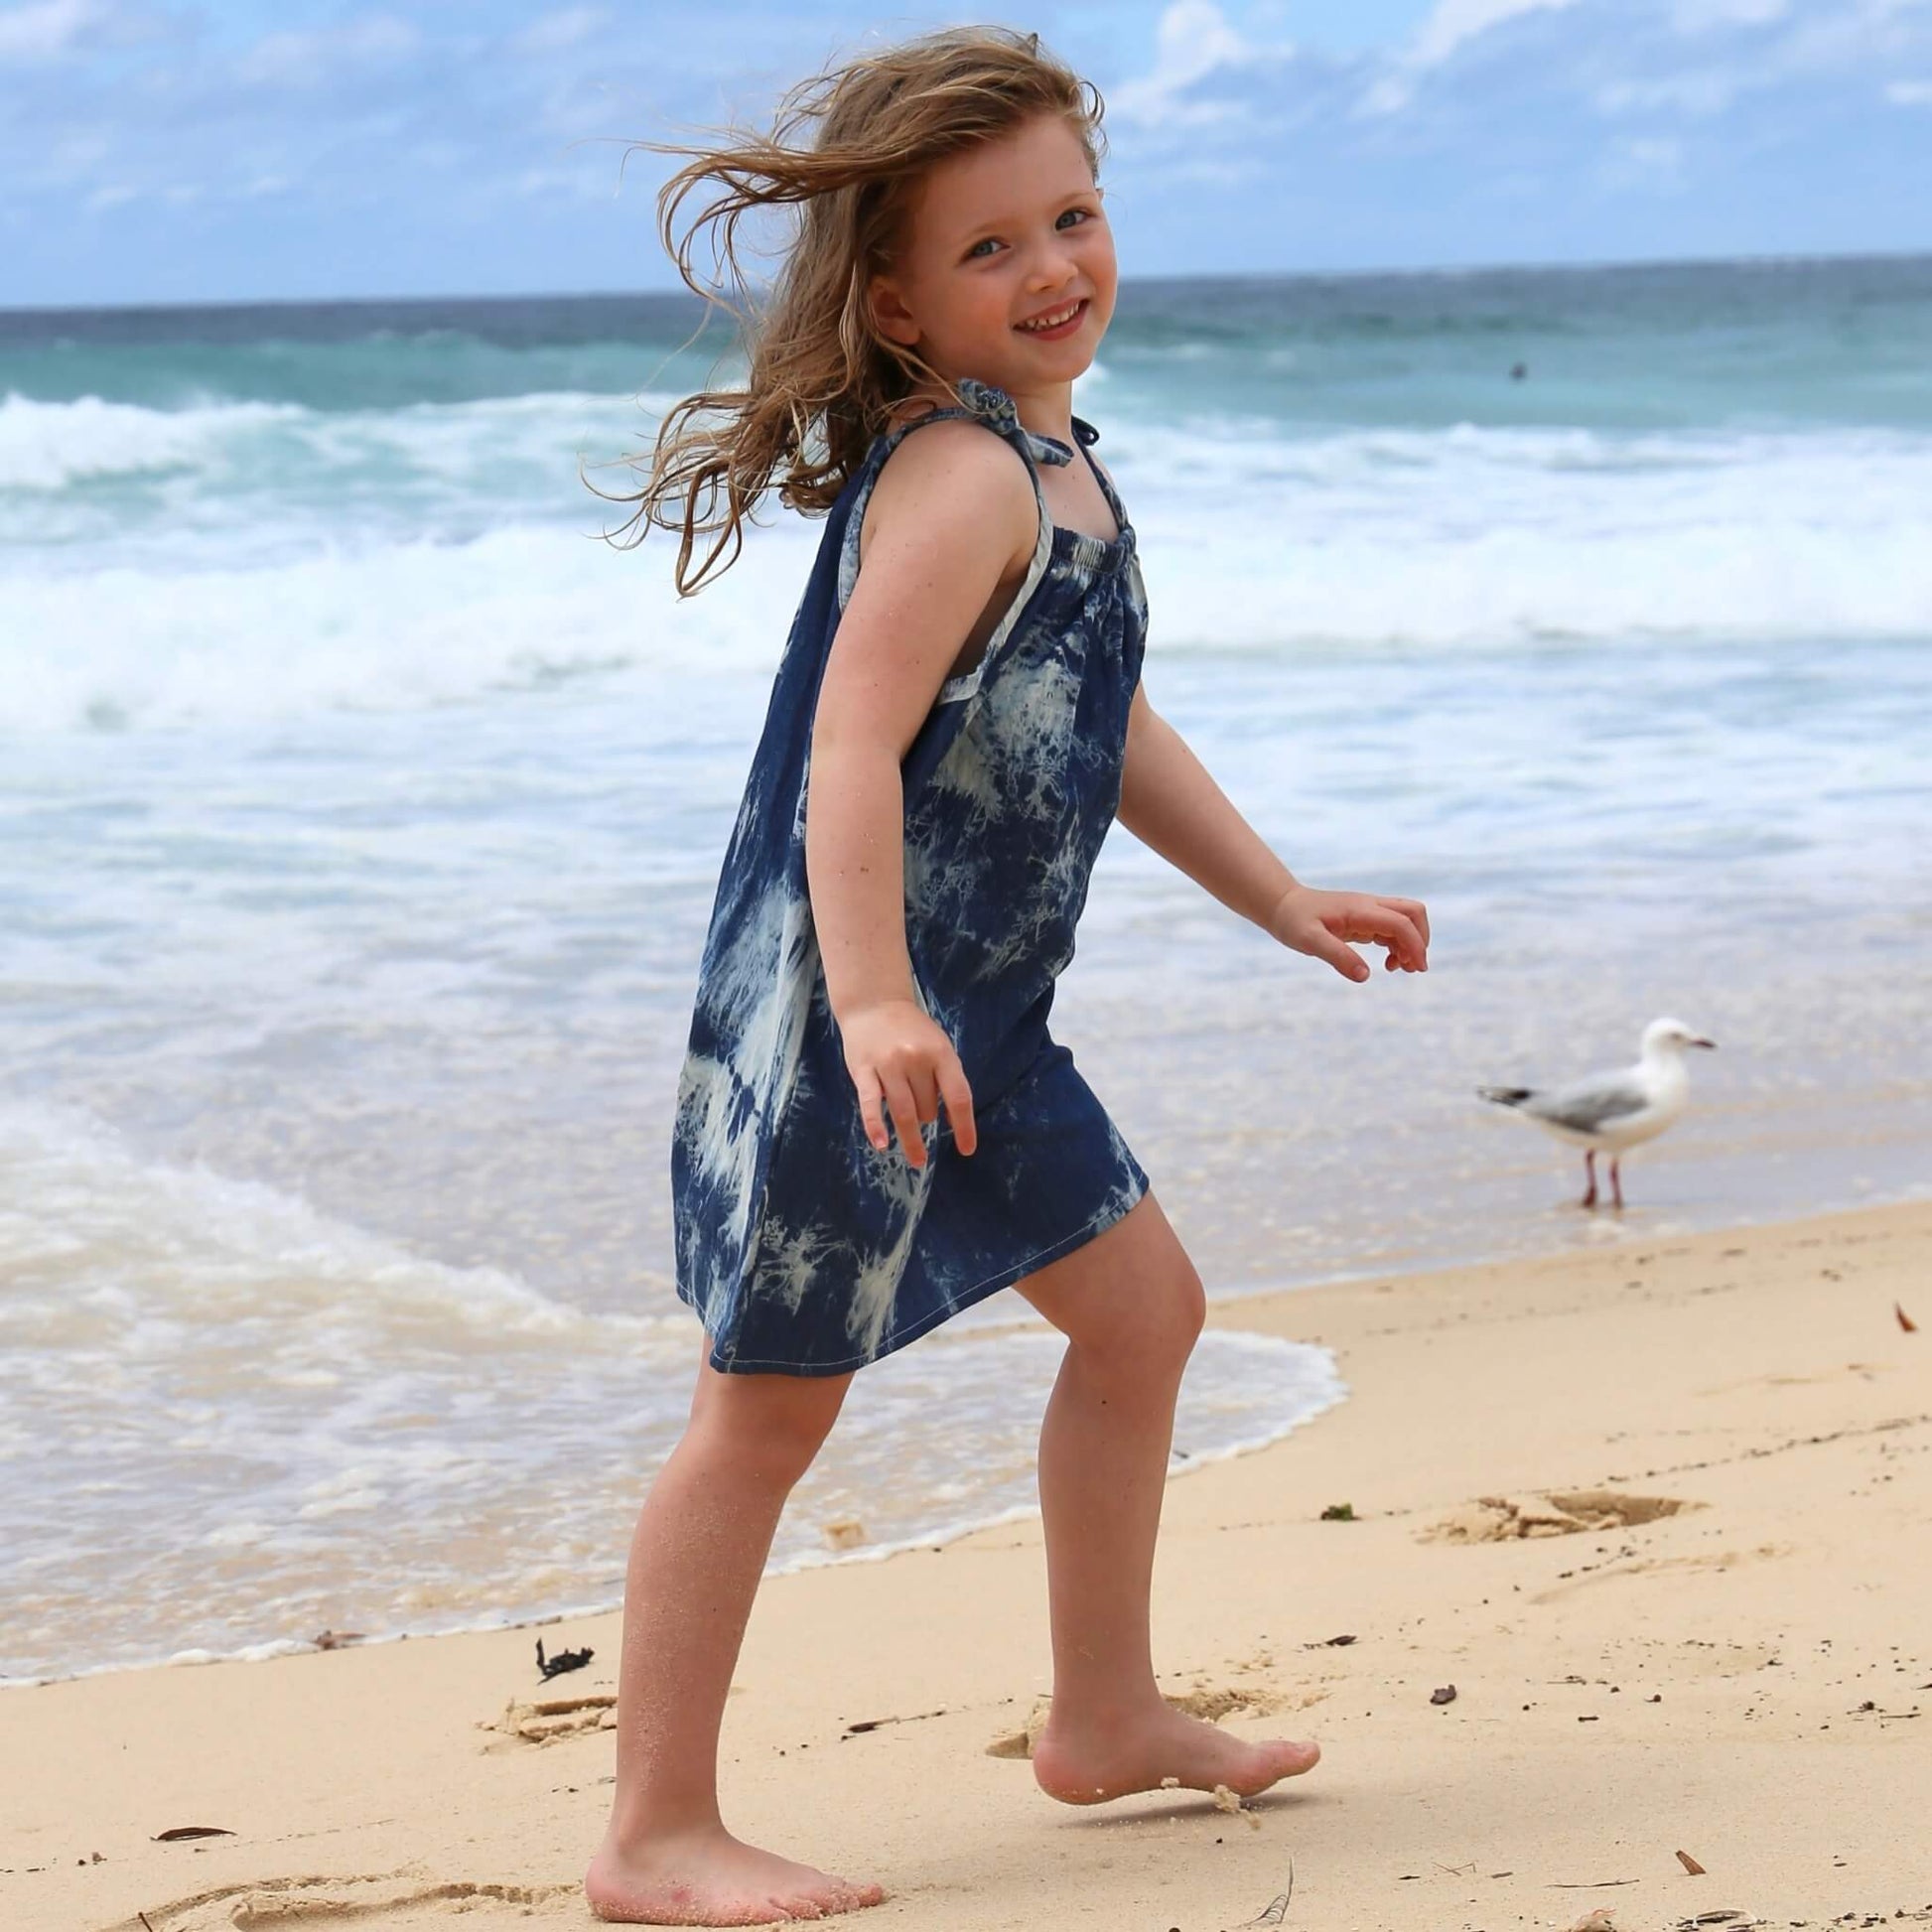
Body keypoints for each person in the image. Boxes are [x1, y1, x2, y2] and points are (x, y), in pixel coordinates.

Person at [586, 25, 1430, 1926]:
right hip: (847, 1030)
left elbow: (1100, 719)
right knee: (762, 1412)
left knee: (1143, 1316)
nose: (1053, 266)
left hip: (978, 1026)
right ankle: (649, 1832)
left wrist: (1278, 897)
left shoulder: (1062, 470)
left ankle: (1105, 1712)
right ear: (893, 302)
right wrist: (874, 997)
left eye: (1072, 213)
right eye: (989, 248)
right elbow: (847, 749)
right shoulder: (959, 476)